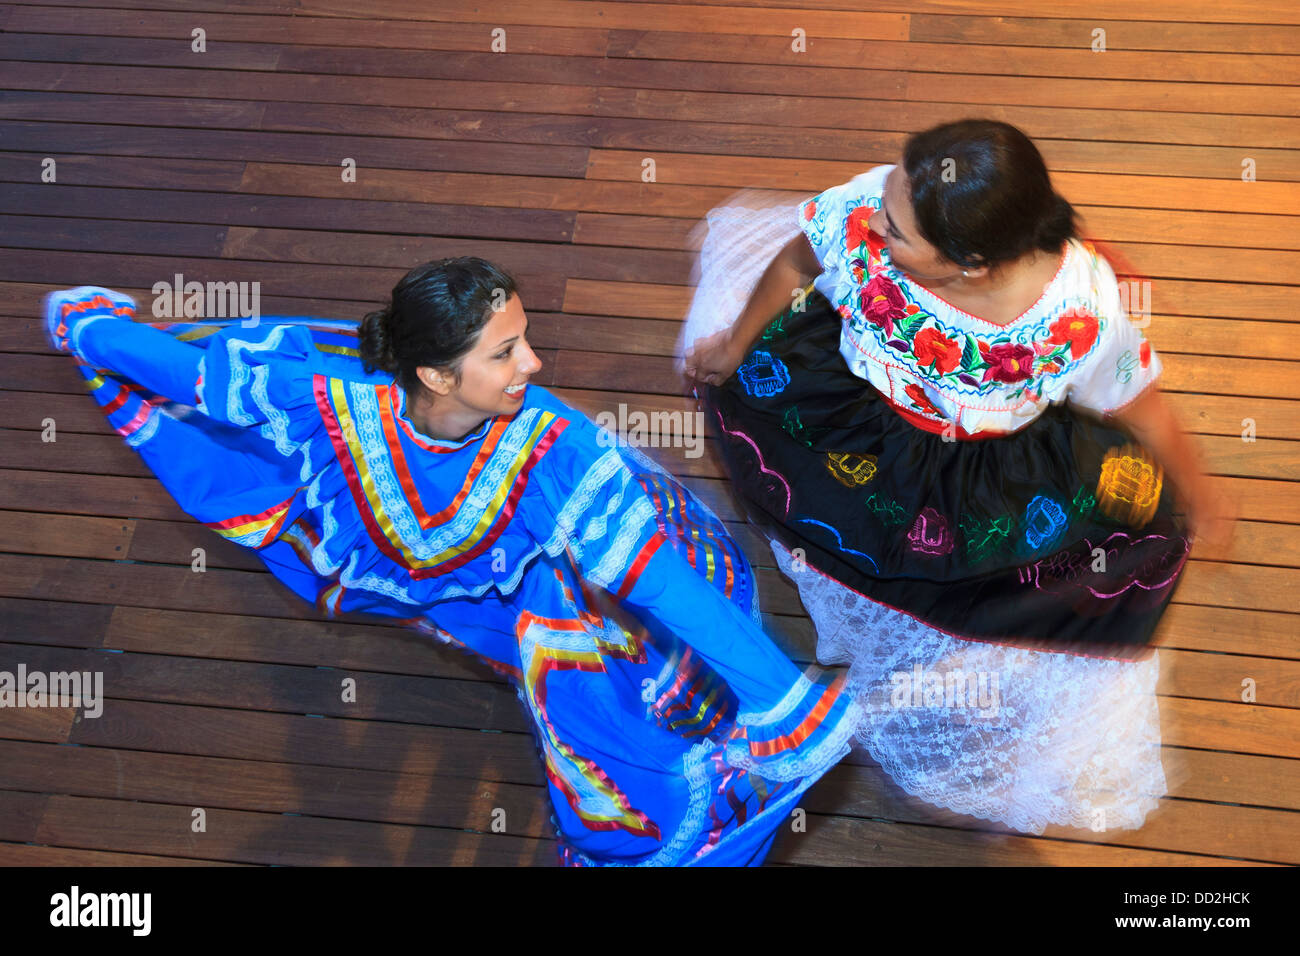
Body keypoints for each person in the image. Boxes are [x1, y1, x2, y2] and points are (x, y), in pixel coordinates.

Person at [43, 257, 865, 866]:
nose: (534, 365)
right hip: (432, 586)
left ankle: (741, 729)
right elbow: (193, 374)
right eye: (505, 352)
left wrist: (783, 703)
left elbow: (655, 574)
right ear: (435, 373)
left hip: (542, 593)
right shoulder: (328, 396)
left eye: (525, 341)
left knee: (592, 676)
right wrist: (85, 329)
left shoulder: (551, 448)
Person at [681, 119, 1237, 835]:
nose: (871, 221)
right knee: (828, 518)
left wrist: (1204, 493)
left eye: (898, 229)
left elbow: (1140, 403)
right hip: (853, 413)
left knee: (1012, 564)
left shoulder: (1079, 317)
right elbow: (798, 260)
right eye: (889, 197)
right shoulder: (872, 213)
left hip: (976, 468)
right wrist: (733, 346)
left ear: (968, 264)